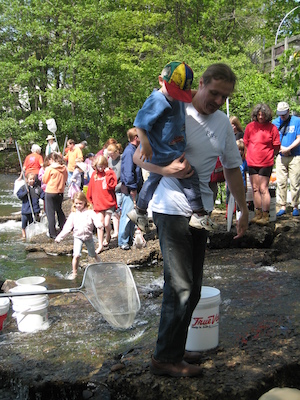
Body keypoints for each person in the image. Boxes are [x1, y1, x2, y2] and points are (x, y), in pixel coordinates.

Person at [133, 63, 248, 377]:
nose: (218, 101)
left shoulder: (223, 124)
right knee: (180, 286)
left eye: (224, 97)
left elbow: (232, 168)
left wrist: (243, 208)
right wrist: (166, 170)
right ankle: (164, 359)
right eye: (214, 93)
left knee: (193, 289)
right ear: (201, 84)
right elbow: (137, 156)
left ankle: (175, 348)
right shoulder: (175, 107)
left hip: (201, 212)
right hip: (170, 207)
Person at [128, 61, 209, 233]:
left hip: (170, 149)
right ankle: (199, 214)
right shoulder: (157, 99)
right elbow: (140, 124)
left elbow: (191, 95)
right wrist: (145, 143)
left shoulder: (178, 97)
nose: (177, 97)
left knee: (152, 182)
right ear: (160, 80)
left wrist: (205, 93)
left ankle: (140, 211)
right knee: (189, 175)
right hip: (164, 152)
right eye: (174, 93)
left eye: (181, 93)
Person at [244, 103, 280, 225]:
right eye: (259, 114)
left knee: (263, 188)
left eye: (263, 115)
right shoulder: (250, 127)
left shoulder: (272, 128)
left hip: (266, 162)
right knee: (255, 188)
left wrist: (270, 155)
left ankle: (266, 215)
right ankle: (257, 214)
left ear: (267, 115)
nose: (260, 117)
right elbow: (246, 143)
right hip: (252, 161)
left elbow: (276, 146)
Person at [55, 192, 102, 279]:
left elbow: (96, 219)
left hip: (88, 237)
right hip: (78, 237)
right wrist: (60, 237)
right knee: (76, 255)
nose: (78, 205)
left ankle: (100, 264)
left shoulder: (89, 212)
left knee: (92, 254)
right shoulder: (73, 214)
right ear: (74, 203)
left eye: (80, 203)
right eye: (76, 203)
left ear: (85, 202)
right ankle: (74, 272)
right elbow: (67, 227)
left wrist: (99, 225)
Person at [272, 101, 300, 217]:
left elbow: (299, 138)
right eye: (280, 114)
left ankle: (295, 206)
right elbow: (273, 140)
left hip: (295, 155)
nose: (282, 116)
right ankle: (282, 205)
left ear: (288, 111)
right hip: (281, 156)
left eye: (284, 113)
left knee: (295, 182)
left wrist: (289, 148)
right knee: (281, 182)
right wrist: (282, 149)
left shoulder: (297, 121)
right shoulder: (275, 123)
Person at [86, 155, 118, 254]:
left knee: (107, 223)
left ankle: (108, 234)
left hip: (109, 203)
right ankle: (100, 245)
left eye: (102, 166)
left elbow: (112, 186)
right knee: (100, 224)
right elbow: (90, 189)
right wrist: (89, 201)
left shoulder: (110, 173)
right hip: (98, 204)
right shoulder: (94, 175)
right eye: (98, 166)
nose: (100, 168)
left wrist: (108, 174)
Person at [118, 128, 143, 250]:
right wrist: (132, 187)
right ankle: (122, 241)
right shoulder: (129, 152)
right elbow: (128, 172)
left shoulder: (134, 150)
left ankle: (128, 238)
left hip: (134, 187)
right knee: (127, 215)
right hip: (129, 188)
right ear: (136, 138)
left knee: (133, 215)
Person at [42, 152, 68, 239]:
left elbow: (44, 180)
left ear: (51, 160)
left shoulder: (50, 168)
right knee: (59, 210)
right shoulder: (64, 168)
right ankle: (63, 227)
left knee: (50, 213)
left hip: (50, 192)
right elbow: (66, 178)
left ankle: (52, 233)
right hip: (60, 191)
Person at [17, 172, 45, 239]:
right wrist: (25, 193)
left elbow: (43, 195)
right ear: (27, 180)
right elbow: (19, 196)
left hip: (35, 210)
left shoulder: (37, 188)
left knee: (32, 224)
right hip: (26, 210)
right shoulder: (24, 188)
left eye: (33, 179)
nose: (32, 180)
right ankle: (24, 235)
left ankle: (32, 234)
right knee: (24, 224)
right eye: (30, 179)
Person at [107, 143, 123, 239]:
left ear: (117, 152)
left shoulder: (122, 159)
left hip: (120, 188)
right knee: (114, 211)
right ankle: (116, 231)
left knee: (119, 210)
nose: (111, 156)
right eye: (109, 155)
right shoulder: (109, 160)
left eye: (112, 154)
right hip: (112, 189)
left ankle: (120, 230)